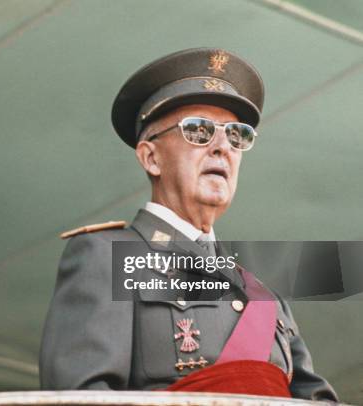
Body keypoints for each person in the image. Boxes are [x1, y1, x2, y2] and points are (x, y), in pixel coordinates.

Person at [39, 48, 338, 401]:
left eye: (236, 135)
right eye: (199, 130)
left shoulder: (263, 292)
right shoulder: (108, 255)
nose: (222, 147)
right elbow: (81, 398)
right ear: (151, 157)